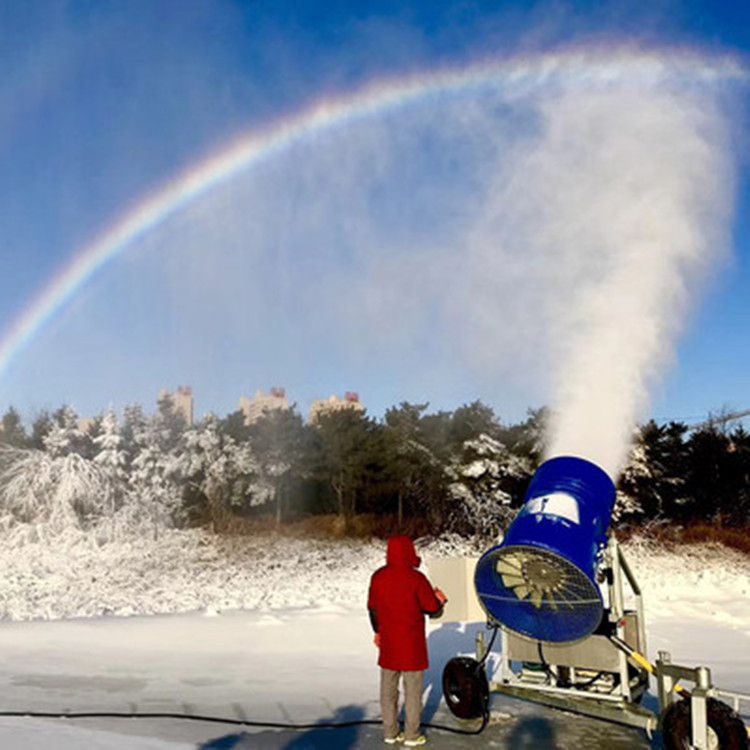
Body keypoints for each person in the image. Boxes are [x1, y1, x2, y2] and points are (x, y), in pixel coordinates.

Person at [367, 535, 447, 747]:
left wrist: (378, 632)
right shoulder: (416, 578)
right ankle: (412, 735)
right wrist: (439, 599)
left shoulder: (378, 577)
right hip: (412, 647)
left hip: (389, 645)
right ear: (410, 552)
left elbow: (372, 609)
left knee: (387, 692)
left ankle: (390, 732)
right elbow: (431, 608)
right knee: (413, 693)